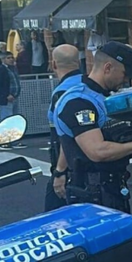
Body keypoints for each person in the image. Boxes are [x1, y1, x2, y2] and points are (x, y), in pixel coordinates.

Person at [52, 42, 132, 213]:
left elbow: (74, 138)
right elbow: (97, 151)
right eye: (124, 74)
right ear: (108, 67)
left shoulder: (102, 97)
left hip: (113, 188)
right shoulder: (78, 101)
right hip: (91, 193)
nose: (126, 80)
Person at [46, 44, 83, 211]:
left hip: (70, 167)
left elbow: (67, 137)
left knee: (54, 218)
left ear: (53, 64)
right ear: (79, 63)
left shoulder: (62, 93)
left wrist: (60, 171)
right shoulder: (87, 85)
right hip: (88, 163)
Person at [0, 51, 21, 124]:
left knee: (14, 117)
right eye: (8, 58)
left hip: (14, 97)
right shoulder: (0, 70)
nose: (11, 59)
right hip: (7, 99)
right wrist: (6, 95)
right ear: (3, 59)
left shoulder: (13, 69)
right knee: (7, 118)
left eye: (12, 57)